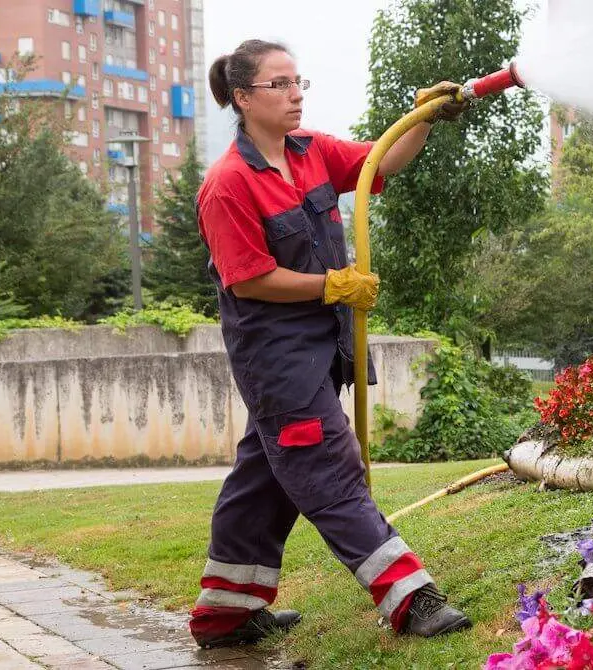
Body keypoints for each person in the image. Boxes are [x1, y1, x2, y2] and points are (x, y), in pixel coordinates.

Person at [188, 39, 471, 649]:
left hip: (325, 344)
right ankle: (409, 597)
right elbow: (251, 277)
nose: (295, 95)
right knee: (326, 466)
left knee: (262, 478)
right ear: (242, 97)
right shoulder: (229, 184)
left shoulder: (311, 152)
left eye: (299, 82)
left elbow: (380, 163)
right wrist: (332, 285)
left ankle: (226, 614)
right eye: (280, 85)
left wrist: (420, 118)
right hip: (276, 358)